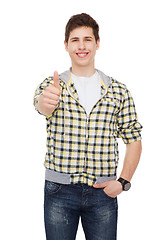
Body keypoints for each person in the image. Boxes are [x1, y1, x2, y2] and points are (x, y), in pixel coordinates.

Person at [33, 13, 142, 240]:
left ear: (97, 43)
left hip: (103, 193)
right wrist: (45, 103)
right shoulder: (52, 86)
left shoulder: (118, 91)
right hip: (59, 191)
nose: (81, 46)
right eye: (75, 40)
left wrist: (122, 182)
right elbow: (42, 105)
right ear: (66, 45)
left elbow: (133, 140)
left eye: (87, 39)